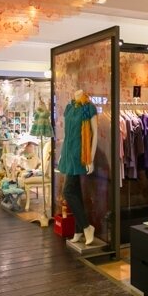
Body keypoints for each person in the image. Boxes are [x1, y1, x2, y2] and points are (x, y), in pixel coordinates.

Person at [58, 89, 98, 245]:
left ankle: (87, 227)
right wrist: (62, 154)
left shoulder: (89, 107)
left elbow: (95, 134)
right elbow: (67, 134)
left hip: (80, 155)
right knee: (75, 192)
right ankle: (79, 229)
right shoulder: (69, 107)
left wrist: (90, 159)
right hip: (68, 153)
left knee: (68, 191)